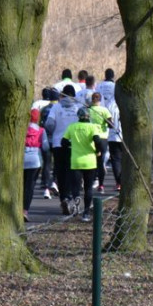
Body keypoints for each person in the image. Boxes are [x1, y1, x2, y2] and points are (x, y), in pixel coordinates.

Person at [44, 86, 80, 215]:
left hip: (58, 143)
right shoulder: (78, 107)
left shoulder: (56, 107)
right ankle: (72, 197)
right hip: (74, 144)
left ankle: (63, 198)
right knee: (73, 172)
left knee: (61, 172)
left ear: (62, 95)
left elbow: (49, 124)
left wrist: (53, 132)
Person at [64, 107, 103, 221]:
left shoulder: (72, 127)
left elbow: (63, 142)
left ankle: (76, 204)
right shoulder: (92, 127)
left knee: (76, 187)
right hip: (90, 161)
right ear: (89, 116)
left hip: (76, 161)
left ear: (78, 116)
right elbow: (98, 140)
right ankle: (86, 213)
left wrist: (72, 147)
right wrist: (98, 150)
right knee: (88, 187)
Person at [22, 109, 48, 221]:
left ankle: (16, 209)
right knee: (30, 187)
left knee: (20, 185)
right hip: (35, 160)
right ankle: (25, 211)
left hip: (21, 160)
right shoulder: (41, 130)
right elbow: (46, 147)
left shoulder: (21, 130)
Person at [88, 92, 112, 193]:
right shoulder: (104, 110)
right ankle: (101, 185)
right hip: (102, 138)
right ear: (100, 100)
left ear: (92, 100)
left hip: (91, 138)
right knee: (100, 161)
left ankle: (92, 181)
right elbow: (111, 124)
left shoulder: (88, 110)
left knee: (92, 161)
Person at [105, 97, 124, 191]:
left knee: (116, 160)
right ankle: (124, 180)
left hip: (112, 135)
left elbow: (106, 120)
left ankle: (119, 182)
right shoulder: (127, 101)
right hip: (125, 136)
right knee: (125, 159)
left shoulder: (109, 104)